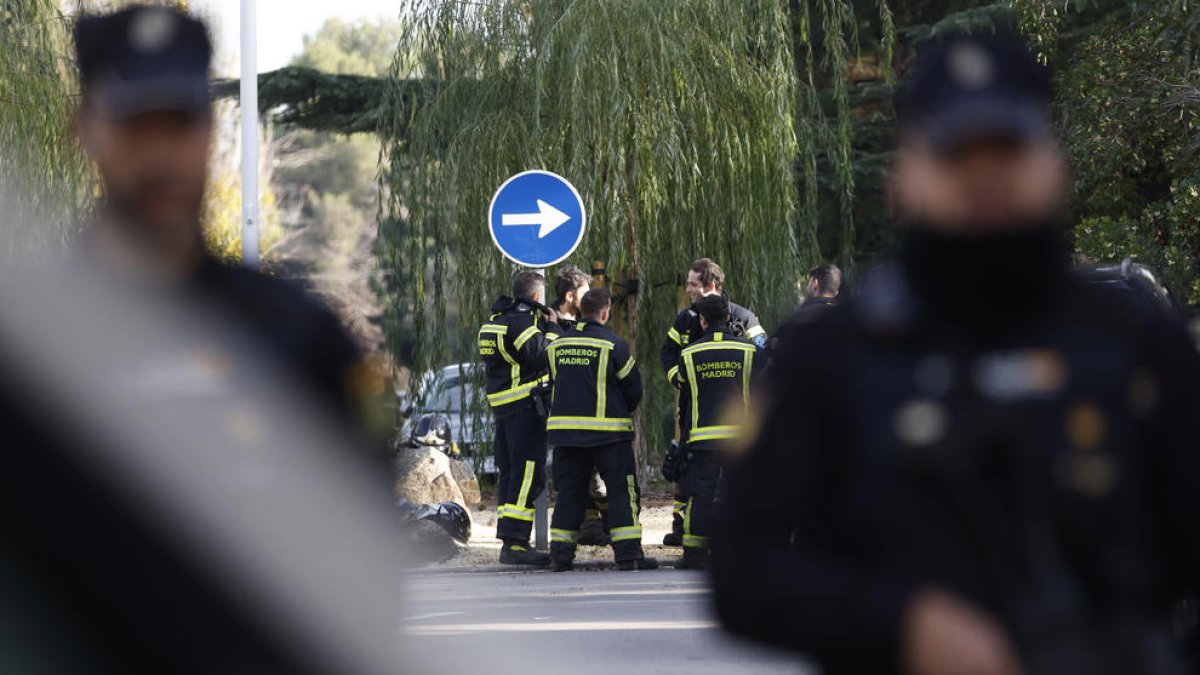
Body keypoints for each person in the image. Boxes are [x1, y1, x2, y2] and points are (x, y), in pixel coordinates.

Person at [713, 33, 1200, 675]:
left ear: (1056, 167)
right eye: (957, 154)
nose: (985, 174)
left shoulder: (1135, 343)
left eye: (1008, 149)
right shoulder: (835, 353)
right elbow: (744, 573)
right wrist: (901, 625)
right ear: (905, 178)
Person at [71, 7, 367, 428]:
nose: (160, 157)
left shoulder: (301, 340)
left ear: (211, 127)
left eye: (179, 124)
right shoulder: (26, 352)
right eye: (134, 126)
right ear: (83, 130)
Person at [545, 288, 657, 572]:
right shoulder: (614, 345)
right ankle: (628, 556)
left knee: (569, 493)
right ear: (605, 313)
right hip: (610, 435)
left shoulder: (557, 344)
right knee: (621, 492)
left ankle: (560, 556)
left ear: (581, 311)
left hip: (567, 435)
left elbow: (552, 384)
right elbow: (634, 390)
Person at [660, 258, 765, 546]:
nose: (688, 289)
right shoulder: (685, 319)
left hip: (734, 410)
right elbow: (668, 352)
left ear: (711, 286)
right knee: (689, 468)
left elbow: (763, 354)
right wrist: (677, 379)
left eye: (693, 284)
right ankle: (681, 526)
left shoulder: (743, 317)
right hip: (695, 407)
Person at [674, 295, 762, 571]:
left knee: (700, 495)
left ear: (702, 321)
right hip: (741, 438)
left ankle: (694, 554)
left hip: (703, 438)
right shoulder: (748, 351)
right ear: (728, 319)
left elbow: (684, 393)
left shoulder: (688, 354)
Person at [478, 270, 559, 566]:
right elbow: (542, 355)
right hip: (524, 407)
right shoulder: (522, 323)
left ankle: (511, 539)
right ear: (537, 296)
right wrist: (551, 328)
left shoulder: (494, 320)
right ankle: (516, 544)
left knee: (511, 474)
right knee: (527, 475)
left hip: (503, 408)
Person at [552, 264, 610, 546]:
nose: (589, 298)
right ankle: (586, 528)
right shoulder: (548, 323)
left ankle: (596, 527)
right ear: (570, 295)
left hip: (593, 416)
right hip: (565, 418)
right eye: (584, 293)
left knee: (596, 480)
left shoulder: (589, 323)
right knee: (573, 480)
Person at [770, 263, 842, 356]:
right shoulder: (848, 320)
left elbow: (773, 352)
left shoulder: (801, 317)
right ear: (836, 293)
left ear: (815, 284)